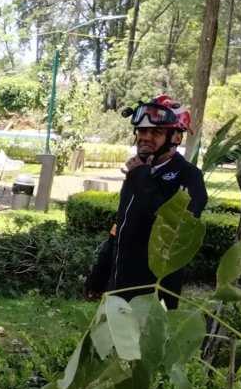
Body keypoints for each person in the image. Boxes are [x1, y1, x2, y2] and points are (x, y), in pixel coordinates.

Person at [86, 94, 207, 308]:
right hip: (120, 289)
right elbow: (121, 227)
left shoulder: (188, 176)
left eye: (156, 132)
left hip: (154, 296)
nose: (146, 137)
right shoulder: (138, 172)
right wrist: (99, 276)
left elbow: (174, 224)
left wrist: (141, 176)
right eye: (142, 131)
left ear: (176, 138)